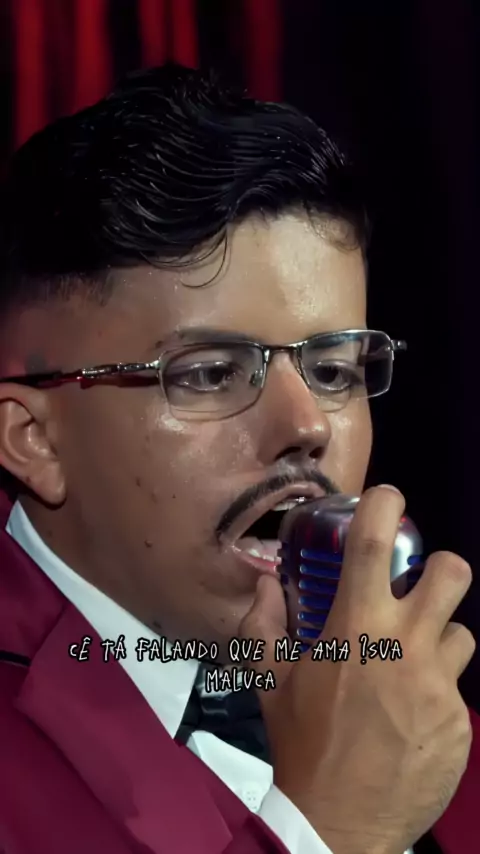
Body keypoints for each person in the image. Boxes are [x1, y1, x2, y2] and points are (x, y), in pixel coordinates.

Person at [0, 63, 477, 854]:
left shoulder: (431, 736)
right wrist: (337, 831)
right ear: (33, 439)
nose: (308, 424)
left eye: (333, 370)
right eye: (212, 373)